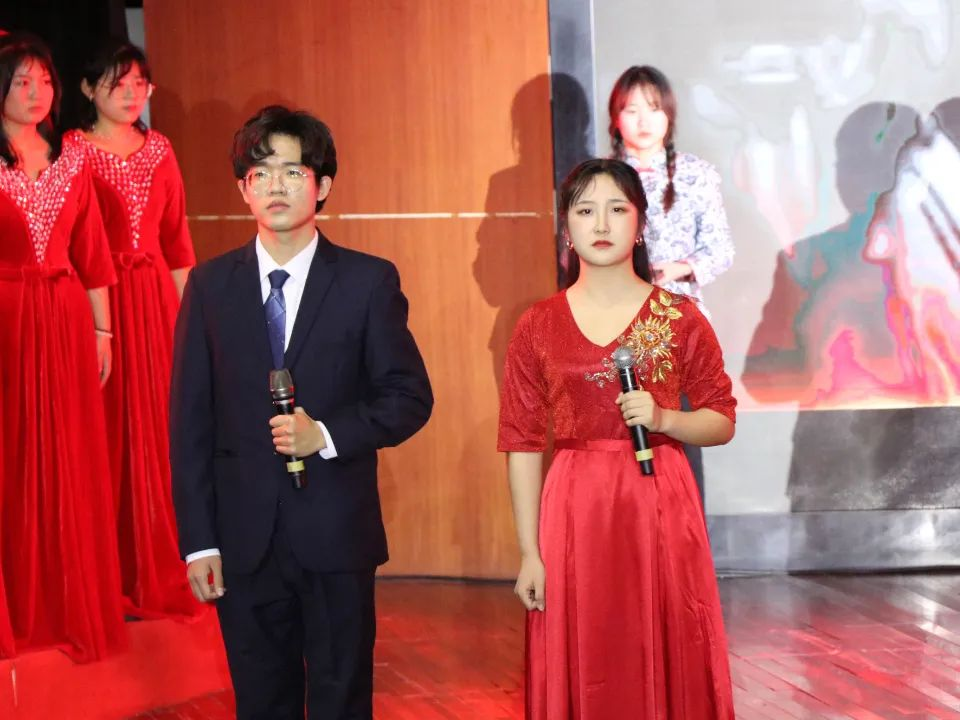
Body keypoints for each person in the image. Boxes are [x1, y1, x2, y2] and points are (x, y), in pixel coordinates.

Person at [170, 105, 433, 719]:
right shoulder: (209, 287)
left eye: (292, 172)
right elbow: (189, 425)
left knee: (342, 700)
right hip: (244, 542)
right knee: (262, 702)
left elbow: (408, 397)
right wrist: (198, 543)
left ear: (322, 185)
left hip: (337, 535)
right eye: (260, 173)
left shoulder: (368, 282)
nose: (276, 186)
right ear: (243, 189)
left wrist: (327, 435)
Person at [499, 158, 736, 719]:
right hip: (573, 507)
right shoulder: (538, 324)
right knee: (584, 646)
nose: (601, 224)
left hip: (658, 501)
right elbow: (522, 441)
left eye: (616, 209)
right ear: (566, 227)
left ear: (641, 224)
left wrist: (666, 418)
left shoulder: (678, 317)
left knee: (665, 639)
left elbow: (721, 419)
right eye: (585, 211)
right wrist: (530, 553)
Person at [0, 32, 125, 662]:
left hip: (68, 317)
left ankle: (71, 602)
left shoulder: (72, 158)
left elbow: (93, 253)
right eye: (22, 81)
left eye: (44, 80)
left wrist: (104, 331)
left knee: (71, 453)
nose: (36, 92)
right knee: (13, 454)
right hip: (7, 317)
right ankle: (21, 606)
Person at [66, 40, 198, 619]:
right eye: (117, 84)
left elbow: (177, 241)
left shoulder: (161, 148)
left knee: (164, 428)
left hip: (154, 301)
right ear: (87, 88)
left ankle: (168, 566)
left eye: (139, 84)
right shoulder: (72, 150)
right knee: (107, 431)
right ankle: (111, 573)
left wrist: (194, 319)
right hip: (96, 302)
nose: (130, 94)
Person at [608, 65, 734, 311]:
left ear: (669, 114)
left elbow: (720, 249)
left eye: (654, 109)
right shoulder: (598, 178)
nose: (643, 121)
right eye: (632, 111)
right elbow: (575, 252)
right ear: (616, 117)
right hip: (615, 310)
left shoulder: (695, 173)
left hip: (679, 311)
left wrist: (678, 269)